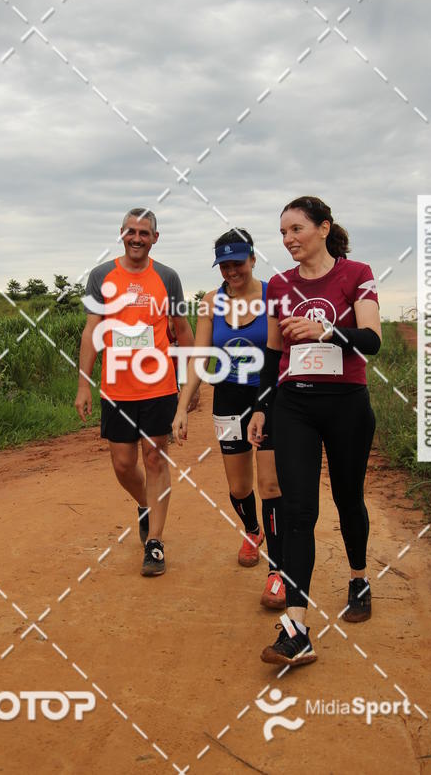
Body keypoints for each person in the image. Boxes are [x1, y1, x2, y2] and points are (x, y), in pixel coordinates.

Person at [248, 196, 381, 667]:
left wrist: (325, 330)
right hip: (294, 405)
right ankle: (297, 629)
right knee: (298, 509)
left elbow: (372, 341)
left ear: (324, 228)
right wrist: (262, 408)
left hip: (346, 404)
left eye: (296, 229)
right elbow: (269, 354)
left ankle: (359, 577)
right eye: (282, 232)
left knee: (348, 498)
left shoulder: (357, 274)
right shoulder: (278, 285)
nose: (287, 240)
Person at [75, 208, 198, 577]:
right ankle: (145, 504)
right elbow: (91, 332)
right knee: (124, 465)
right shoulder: (101, 276)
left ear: (155, 238)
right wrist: (84, 383)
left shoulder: (167, 277)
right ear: (122, 234)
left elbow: (183, 330)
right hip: (116, 387)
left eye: (145, 232)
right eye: (131, 231)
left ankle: (155, 543)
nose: (137, 238)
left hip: (159, 385)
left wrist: (191, 382)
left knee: (155, 459)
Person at [172, 229, 286, 609]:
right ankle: (252, 531)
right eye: (224, 264)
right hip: (229, 396)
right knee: (240, 487)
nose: (231, 271)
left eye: (237, 262)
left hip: (267, 394)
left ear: (253, 259)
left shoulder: (274, 295)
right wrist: (182, 406)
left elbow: (278, 352)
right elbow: (199, 359)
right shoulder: (210, 302)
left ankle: (277, 572)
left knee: (270, 484)